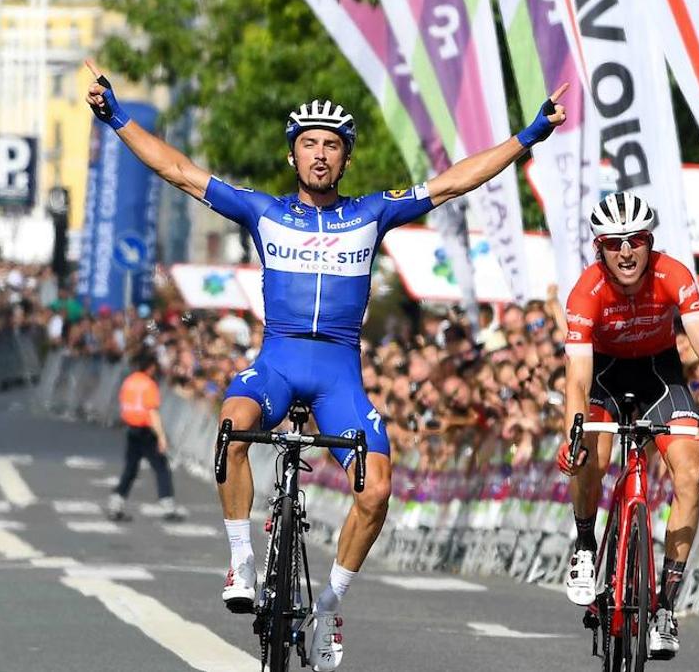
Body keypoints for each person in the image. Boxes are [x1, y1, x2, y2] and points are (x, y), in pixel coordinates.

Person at [85, 59, 567, 671]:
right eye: (308, 143)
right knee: (232, 423)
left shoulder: (372, 212)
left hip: (341, 375)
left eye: (331, 145)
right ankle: (241, 559)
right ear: (293, 157)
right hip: (278, 364)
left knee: (379, 489)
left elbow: (452, 183)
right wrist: (118, 118)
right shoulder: (263, 211)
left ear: (345, 160)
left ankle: (330, 605)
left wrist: (528, 137)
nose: (319, 154)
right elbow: (176, 170)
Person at [557, 191, 699, 659]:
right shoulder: (585, 292)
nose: (626, 251)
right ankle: (586, 545)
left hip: (659, 372)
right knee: (593, 454)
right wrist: (574, 430)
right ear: (599, 249)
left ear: (651, 242)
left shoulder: (673, 275)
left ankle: (666, 608)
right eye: (614, 243)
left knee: (690, 472)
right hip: (604, 375)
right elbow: (576, 377)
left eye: (637, 240)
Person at [106, 350, 186, 522]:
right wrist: (162, 436)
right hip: (146, 431)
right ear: (150, 367)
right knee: (161, 468)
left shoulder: (129, 381)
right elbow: (152, 412)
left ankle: (116, 504)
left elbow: (124, 404)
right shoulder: (149, 384)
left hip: (131, 429)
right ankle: (168, 506)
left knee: (130, 469)